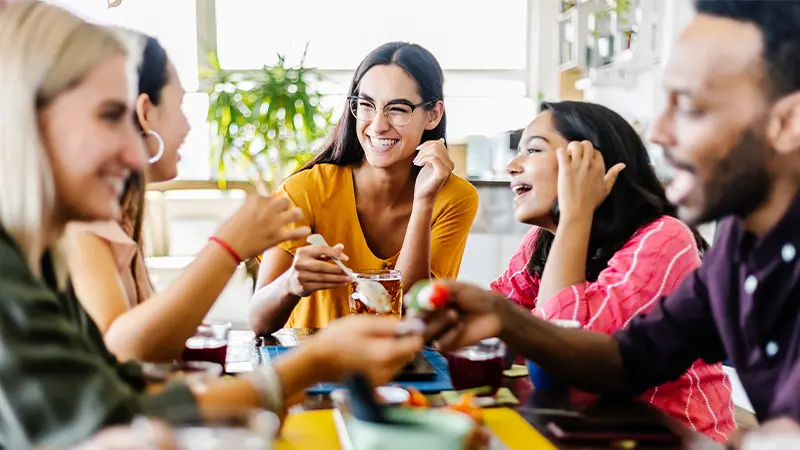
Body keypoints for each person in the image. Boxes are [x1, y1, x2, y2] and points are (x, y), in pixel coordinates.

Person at [0, 2, 422, 448]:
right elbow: (116, 410)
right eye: (108, 116)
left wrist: (312, 364)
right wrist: (228, 248)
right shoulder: (22, 267)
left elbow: (119, 400)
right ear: (26, 116)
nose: (132, 153)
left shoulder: (40, 260)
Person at [425, 0, 800, 446]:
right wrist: (502, 316)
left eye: (692, 106)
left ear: (788, 122)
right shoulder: (741, 244)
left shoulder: (665, 238)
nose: (658, 132)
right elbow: (629, 357)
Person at [490, 100, 733, 440]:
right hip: (584, 432)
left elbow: (565, 372)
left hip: (669, 439)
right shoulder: (543, 241)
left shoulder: (664, 238)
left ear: (591, 164)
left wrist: (575, 214)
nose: (513, 166)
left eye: (532, 150)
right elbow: (493, 323)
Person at [62, 31, 291, 363]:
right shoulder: (81, 220)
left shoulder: (124, 211)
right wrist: (228, 246)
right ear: (145, 112)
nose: (187, 126)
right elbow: (122, 353)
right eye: (180, 105)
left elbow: (148, 343)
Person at [249, 42, 479, 334]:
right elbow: (258, 322)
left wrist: (423, 200)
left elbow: (413, 313)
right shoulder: (307, 189)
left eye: (397, 109)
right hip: (314, 370)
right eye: (367, 105)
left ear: (433, 114)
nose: (378, 125)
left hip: (405, 372)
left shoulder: (454, 198)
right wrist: (290, 283)